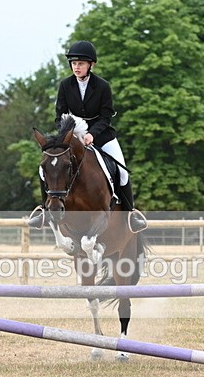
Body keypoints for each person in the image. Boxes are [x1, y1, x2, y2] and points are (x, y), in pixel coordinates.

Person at [28, 40, 148, 233]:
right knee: (46, 169)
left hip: (101, 136)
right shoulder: (65, 85)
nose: (77, 67)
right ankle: (44, 210)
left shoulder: (102, 86)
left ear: (91, 65)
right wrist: (68, 134)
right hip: (72, 137)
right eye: (74, 63)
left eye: (81, 63)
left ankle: (131, 214)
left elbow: (106, 116)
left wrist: (92, 133)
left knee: (122, 172)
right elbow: (60, 116)